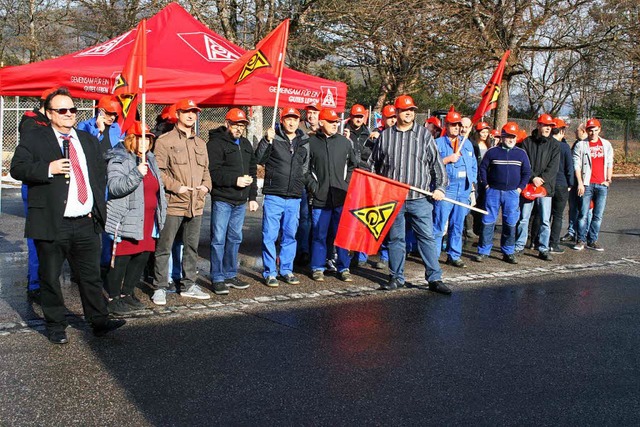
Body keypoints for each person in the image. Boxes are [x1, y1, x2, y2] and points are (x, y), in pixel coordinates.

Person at [10, 87, 125, 344]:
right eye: (62, 110)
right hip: (52, 221)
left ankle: (99, 320)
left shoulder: (87, 140)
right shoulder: (35, 138)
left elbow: (98, 174)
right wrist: (47, 169)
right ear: (50, 114)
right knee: (50, 277)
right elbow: (16, 168)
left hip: (84, 221)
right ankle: (55, 325)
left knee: (90, 276)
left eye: (73, 109)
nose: (69, 114)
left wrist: (98, 212)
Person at [369, 94, 451, 294]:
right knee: (396, 240)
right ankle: (397, 277)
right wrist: (374, 190)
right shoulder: (385, 136)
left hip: (419, 199)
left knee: (427, 238)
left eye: (412, 110)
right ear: (396, 112)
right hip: (393, 199)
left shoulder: (424, 135)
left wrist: (440, 188)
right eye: (405, 110)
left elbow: (437, 166)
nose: (409, 113)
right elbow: (373, 165)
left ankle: (434, 278)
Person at [152, 99, 212, 305]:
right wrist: (177, 187)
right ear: (178, 114)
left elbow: (206, 171)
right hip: (174, 202)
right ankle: (159, 287)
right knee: (164, 247)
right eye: (187, 111)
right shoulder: (164, 141)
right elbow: (158, 172)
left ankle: (188, 285)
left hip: (196, 204)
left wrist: (206, 186)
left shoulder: (200, 143)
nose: (191, 115)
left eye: (194, 112)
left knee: (191, 247)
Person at [104, 122, 166, 315]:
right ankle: (113, 298)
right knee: (123, 257)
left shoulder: (151, 159)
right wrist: (136, 174)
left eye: (148, 138)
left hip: (149, 219)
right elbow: (115, 187)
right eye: (140, 137)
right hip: (128, 216)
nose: (145, 142)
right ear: (131, 139)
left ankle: (127, 293)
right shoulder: (119, 159)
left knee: (142, 256)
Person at [255, 107, 309, 287]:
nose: (292, 122)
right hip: (274, 196)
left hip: (294, 196)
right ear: (282, 120)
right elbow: (259, 159)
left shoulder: (304, 141)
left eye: (295, 118)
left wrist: (299, 183)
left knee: (290, 235)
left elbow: (305, 166)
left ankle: (286, 269)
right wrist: (266, 140)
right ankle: (270, 272)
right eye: (288, 118)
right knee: (269, 236)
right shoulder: (273, 137)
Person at [207, 108, 259, 295]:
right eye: (236, 124)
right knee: (218, 239)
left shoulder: (245, 144)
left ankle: (230, 273)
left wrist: (252, 197)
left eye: (242, 125)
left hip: (240, 201)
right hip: (222, 199)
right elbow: (212, 172)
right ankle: (217, 277)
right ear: (227, 123)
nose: (239, 128)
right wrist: (234, 180)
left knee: (235, 238)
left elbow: (252, 170)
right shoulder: (215, 144)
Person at [306, 108, 358, 282]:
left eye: (336, 122)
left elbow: (353, 165)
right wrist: (314, 187)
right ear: (321, 122)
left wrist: (346, 183)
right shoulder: (311, 142)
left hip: (340, 197)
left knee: (342, 235)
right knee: (319, 235)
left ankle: (344, 268)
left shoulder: (344, 143)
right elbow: (304, 169)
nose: (335, 124)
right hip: (320, 199)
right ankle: (317, 267)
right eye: (331, 122)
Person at [18, 86, 57, 303]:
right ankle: (35, 284)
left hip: (53, 185)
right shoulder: (32, 122)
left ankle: (46, 280)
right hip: (35, 184)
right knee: (37, 236)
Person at [473, 122, 531, 264]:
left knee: (510, 222)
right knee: (488, 221)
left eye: (513, 137)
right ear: (503, 136)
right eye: (508, 136)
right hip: (493, 191)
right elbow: (482, 169)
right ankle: (483, 251)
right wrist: (486, 186)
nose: (511, 139)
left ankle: (508, 251)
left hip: (512, 193)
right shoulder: (492, 152)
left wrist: (520, 188)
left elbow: (527, 172)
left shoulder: (521, 154)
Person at [433, 109, 477, 268]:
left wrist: (472, 182)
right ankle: (434, 256)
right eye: (453, 125)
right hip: (447, 188)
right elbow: (430, 165)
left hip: (463, 189)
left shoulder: (467, 143)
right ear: (446, 125)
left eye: (459, 125)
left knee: (457, 224)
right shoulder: (437, 143)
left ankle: (454, 254)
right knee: (439, 224)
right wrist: (447, 159)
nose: (457, 128)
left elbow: (473, 165)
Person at [514, 113, 560, 260]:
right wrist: (533, 177)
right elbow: (524, 162)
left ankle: (543, 248)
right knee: (523, 218)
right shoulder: (527, 142)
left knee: (545, 220)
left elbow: (554, 167)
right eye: (545, 125)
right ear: (538, 125)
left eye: (550, 126)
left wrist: (542, 180)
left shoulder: (555, 145)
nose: (547, 128)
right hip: (528, 185)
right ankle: (519, 245)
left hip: (546, 188)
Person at [572, 118, 613, 251]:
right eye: (590, 130)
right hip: (587, 183)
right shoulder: (581, 145)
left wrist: (608, 179)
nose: (593, 133)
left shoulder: (606, 144)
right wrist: (580, 183)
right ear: (586, 131)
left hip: (602, 184)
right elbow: (576, 165)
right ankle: (580, 240)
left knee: (598, 215)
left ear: (599, 130)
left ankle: (592, 240)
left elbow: (609, 163)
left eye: (595, 130)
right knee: (583, 213)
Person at [546, 118, 574, 253]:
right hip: (561, 184)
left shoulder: (547, 145)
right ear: (561, 131)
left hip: (547, 183)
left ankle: (539, 241)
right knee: (558, 215)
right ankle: (553, 243)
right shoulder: (564, 147)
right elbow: (570, 167)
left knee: (545, 214)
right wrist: (570, 183)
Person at [562, 123, 588, 242]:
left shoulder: (587, 145)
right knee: (572, 207)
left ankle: (583, 232)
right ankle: (572, 231)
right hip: (573, 181)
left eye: (577, 130)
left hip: (584, 181)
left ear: (583, 131)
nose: (575, 132)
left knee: (585, 209)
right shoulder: (576, 144)